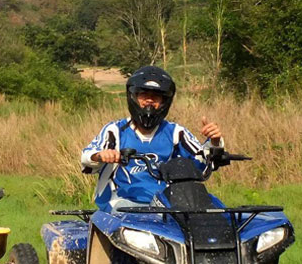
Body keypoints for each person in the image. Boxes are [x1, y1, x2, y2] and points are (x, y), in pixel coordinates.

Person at [81, 65, 223, 212]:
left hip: (167, 205)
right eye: (144, 95)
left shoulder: (176, 132)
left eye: (155, 96)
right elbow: (86, 159)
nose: (149, 101)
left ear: (164, 101)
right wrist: (100, 156)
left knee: (211, 211)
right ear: (133, 97)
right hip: (121, 203)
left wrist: (214, 142)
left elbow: (201, 165)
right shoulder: (115, 131)